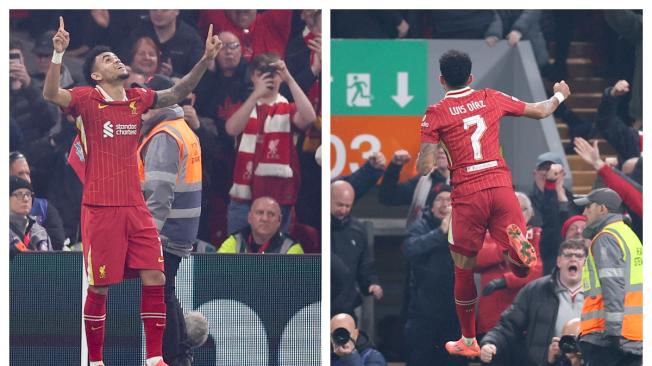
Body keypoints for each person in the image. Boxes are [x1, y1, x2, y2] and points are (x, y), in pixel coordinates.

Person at [42, 17, 222, 366]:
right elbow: (50, 94)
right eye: (107, 59)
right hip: (101, 206)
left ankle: (155, 358)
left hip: (135, 207)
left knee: (155, 276)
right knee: (100, 287)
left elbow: (177, 93)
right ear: (96, 75)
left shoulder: (138, 99)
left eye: (115, 56)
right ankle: (95, 360)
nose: (116, 60)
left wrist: (204, 60)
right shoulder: (85, 99)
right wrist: (57, 54)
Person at [416, 49, 571, 356]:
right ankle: (515, 253)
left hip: (467, 194)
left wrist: (432, 153)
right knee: (524, 266)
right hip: (501, 186)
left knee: (463, 269)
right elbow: (540, 110)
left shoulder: (435, 113)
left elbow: (425, 167)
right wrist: (559, 96)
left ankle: (469, 340)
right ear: (471, 78)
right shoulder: (490, 97)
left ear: (441, 80)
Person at [136, 74, 203, 366]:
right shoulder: (181, 129)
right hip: (181, 228)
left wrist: (148, 237)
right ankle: (179, 355)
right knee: (167, 290)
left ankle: (175, 357)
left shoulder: (164, 135)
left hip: (163, 231)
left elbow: (159, 194)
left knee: (161, 293)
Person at [225, 52, 316, 234]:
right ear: (252, 76)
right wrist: (255, 95)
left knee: (275, 259)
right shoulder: (244, 107)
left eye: (274, 73)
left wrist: (289, 79)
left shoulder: (287, 108)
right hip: (243, 197)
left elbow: (309, 117)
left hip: (278, 197)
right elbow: (232, 129)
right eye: (262, 73)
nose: (269, 77)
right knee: (236, 255)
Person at [479, 239, 586, 366]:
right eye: (568, 255)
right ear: (558, 261)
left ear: (586, 263)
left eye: (579, 256)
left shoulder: (598, 294)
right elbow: (509, 324)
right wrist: (490, 342)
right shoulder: (535, 290)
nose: (573, 259)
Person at [573, 188, 642, 365]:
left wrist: (612, 335)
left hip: (607, 338)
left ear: (602, 209)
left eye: (588, 207)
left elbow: (613, 287)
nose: (584, 212)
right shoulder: (629, 235)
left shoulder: (607, 238)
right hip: (633, 335)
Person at [402, 184, 464, 366]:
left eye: (449, 200)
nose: (444, 204)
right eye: (440, 199)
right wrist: (441, 232)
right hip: (423, 313)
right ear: (432, 204)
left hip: (453, 313)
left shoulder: (464, 228)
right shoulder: (421, 225)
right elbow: (410, 248)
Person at [331, 180, 383, 316]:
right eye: (339, 205)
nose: (343, 210)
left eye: (348, 206)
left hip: (346, 308)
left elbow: (365, 265)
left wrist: (371, 283)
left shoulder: (358, 230)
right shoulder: (319, 227)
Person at [378, 147, 449, 227]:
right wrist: (395, 166)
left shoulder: (465, 185)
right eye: (439, 146)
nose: (441, 151)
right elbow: (387, 197)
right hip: (422, 237)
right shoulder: (422, 182)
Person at [10, 151, 66, 250]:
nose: (27, 180)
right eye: (20, 174)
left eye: (28, 173)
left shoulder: (43, 208)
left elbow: (57, 246)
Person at [218, 196, 303, 254]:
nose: (265, 219)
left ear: (279, 220)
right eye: (259, 213)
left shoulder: (291, 247)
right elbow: (217, 272)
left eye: (271, 214)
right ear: (250, 218)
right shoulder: (236, 241)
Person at [10, 176, 53, 258]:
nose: (26, 199)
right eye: (19, 194)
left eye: (28, 194)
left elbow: (51, 264)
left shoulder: (40, 231)